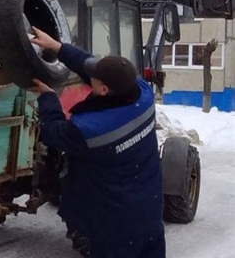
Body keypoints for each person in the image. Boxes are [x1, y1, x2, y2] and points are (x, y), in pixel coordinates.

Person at [29, 26, 165, 258]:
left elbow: (53, 131)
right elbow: (88, 65)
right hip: (149, 212)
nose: (87, 77)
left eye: (93, 79)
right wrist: (57, 48)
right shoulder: (143, 95)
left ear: (103, 89)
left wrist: (48, 97)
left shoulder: (92, 131)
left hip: (116, 225)